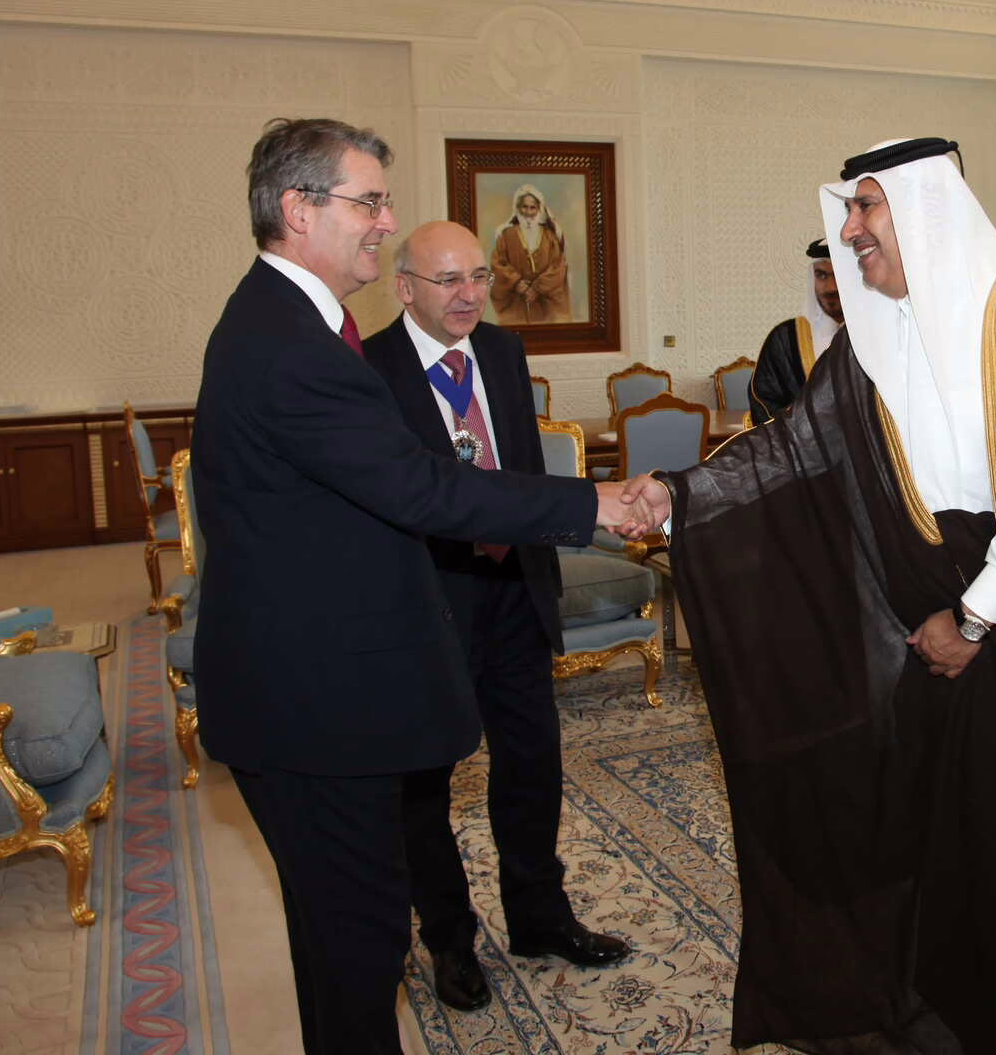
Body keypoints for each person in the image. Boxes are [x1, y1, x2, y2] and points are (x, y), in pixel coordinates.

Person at [629, 138, 996, 1054]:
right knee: (935, 832)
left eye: (867, 208)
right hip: (924, 626)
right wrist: (675, 495)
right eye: (849, 211)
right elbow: (792, 447)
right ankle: (937, 1014)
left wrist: (972, 618)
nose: (849, 230)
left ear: (926, 209)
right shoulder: (873, 334)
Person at [191, 118, 652, 1055]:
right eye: (368, 201)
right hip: (314, 705)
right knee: (359, 944)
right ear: (299, 209)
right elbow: (422, 488)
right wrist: (595, 501)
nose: (384, 220)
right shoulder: (291, 345)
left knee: (344, 943)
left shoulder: (286, 323)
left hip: (323, 680)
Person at [360, 220, 632, 1013]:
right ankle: (448, 938)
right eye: (448, 280)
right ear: (404, 287)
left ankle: (540, 917)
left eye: (479, 276)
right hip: (428, 601)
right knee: (425, 785)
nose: (470, 294)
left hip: (515, 588)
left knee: (532, 763)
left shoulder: (504, 353)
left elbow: (518, 474)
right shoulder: (368, 370)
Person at [746, 237, 843, 426]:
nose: (831, 288)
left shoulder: (871, 337)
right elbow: (763, 403)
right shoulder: (784, 339)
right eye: (821, 276)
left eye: (838, 275)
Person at [488, 183, 572, 323]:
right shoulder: (506, 235)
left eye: (532, 207)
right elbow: (497, 264)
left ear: (539, 209)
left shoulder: (550, 236)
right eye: (524, 207)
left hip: (545, 305)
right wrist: (517, 283)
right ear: (518, 208)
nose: (528, 212)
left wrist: (537, 288)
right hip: (515, 303)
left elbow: (558, 266)